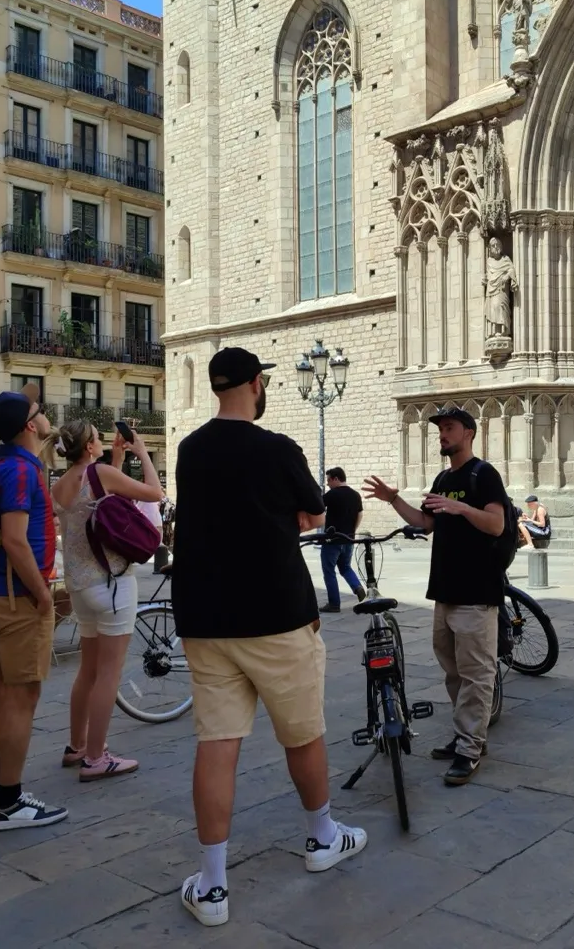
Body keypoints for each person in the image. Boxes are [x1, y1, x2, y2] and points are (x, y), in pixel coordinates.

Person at [172, 347, 367, 929]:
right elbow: (313, 513)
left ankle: (211, 885)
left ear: (214, 388)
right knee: (303, 736)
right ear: (257, 384)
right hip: (277, 613)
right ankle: (322, 838)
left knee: (218, 744)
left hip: (206, 618)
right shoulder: (278, 448)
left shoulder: (189, 449)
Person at [364, 405, 507, 787]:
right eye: (440, 429)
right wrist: (394, 499)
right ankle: (468, 737)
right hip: (445, 592)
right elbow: (426, 523)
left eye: (449, 428)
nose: (442, 434)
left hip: (476, 593)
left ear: (469, 433)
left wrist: (461, 507)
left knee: (477, 675)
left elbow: (496, 524)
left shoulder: (484, 474)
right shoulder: (443, 477)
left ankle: (470, 750)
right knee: (454, 672)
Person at [0, 384, 66, 833]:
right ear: (29, 425)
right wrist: (42, 596)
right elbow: (15, 538)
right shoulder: (22, 472)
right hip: (14, 596)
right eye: (40, 412)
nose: (45, 416)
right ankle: (9, 801)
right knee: (21, 699)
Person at [52, 419, 163, 781]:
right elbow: (154, 492)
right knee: (109, 674)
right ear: (88, 447)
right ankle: (97, 757)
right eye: (97, 438)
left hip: (80, 585)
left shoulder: (61, 485)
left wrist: (115, 460)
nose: (101, 441)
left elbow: (98, 503)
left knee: (88, 670)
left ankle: (77, 745)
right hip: (111, 583)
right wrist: (142, 452)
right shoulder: (98, 472)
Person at [319, 466, 366, 613]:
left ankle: (334, 604)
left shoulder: (332, 495)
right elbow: (360, 515)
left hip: (332, 540)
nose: (327, 483)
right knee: (345, 567)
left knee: (329, 571)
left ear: (336, 479)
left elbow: (317, 508)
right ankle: (357, 587)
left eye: (329, 480)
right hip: (348, 539)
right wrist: (352, 531)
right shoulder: (355, 495)